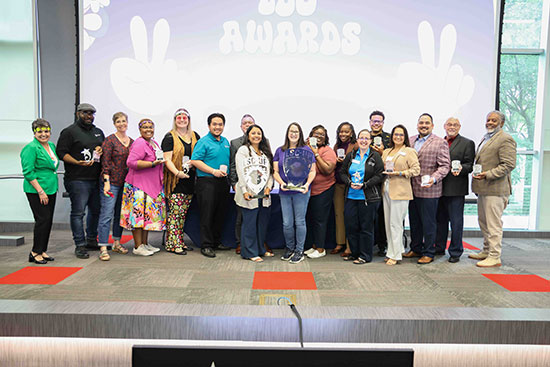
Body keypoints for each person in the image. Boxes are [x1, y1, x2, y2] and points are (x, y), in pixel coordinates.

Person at [56, 103, 105, 259]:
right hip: (77, 179)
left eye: (91, 113)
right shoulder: (69, 132)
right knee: (78, 213)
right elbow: (61, 153)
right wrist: (77, 162)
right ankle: (80, 245)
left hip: (95, 178)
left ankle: (91, 239)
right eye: (85, 113)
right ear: (78, 113)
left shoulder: (98, 132)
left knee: (96, 211)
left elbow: (102, 151)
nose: (89, 116)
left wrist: (100, 150)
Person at [470, 110, 516, 267]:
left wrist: (488, 174)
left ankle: (495, 256)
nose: (490, 122)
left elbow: (508, 165)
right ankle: (486, 250)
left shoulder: (505, 139)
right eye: (488, 119)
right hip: (484, 189)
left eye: (494, 120)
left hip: (496, 189)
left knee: (493, 224)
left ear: (501, 123)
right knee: (484, 222)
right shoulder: (487, 137)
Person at [403, 113, 450, 264]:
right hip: (411, 188)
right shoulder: (409, 140)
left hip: (429, 190)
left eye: (427, 123)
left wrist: (434, 178)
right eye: (421, 123)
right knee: (414, 221)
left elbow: (445, 165)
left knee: (429, 223)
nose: (423, 125)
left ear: (432, 125)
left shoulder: (439, 142)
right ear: (417, 125)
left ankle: (429, 252)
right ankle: (416, 248)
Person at [121, 119, 166, 256]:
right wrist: (152, 164)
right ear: (140, 130)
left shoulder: (153, 142)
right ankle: (137, 246)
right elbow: (131, 162)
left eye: (150, 127)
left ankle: (145, 244)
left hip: (150, 186)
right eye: (145, 127)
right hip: (138, 187)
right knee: (138, 217)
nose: (148, 130)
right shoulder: (139, 143)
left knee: (146, 217)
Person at [230, 114, 273, 256]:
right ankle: (250, 253)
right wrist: (243, 190)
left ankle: (260, 249)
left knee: (261, 225)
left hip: (264, 194)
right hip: (248, 194)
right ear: (248, 136)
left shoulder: (265, 152)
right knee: (249, 224)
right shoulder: (243, 151)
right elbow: (241, 173)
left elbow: (270, 172)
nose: (256, 136)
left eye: (258, 133)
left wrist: (269, 186)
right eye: (253, 133)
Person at [273, 122, 316, 264]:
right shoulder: (280, 151)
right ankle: (290, 248)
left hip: (301, 192)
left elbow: (312, 171)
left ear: (300, 134)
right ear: (287, 133)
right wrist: (282, 183)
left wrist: (307, 184)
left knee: (300, 221)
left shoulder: (307, 150)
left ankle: (299, 250)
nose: (293, 134)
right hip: (285, 191)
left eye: (296, 132)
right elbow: (275, 172)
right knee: (287, 223)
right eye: (291, 131)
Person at [339, 129, 384, 264]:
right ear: (357, 140)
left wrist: (365, 185)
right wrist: (349, 182)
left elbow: (380, 175)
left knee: (366, 227)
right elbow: (342, 173)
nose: (364, 140)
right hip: (351, 196)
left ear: (370, 141)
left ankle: (365, 255)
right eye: (361, 138)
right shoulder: (351, 155)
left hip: (368, 198)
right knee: (351, 226)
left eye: (366, 138)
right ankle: (355, 252)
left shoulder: (375, 156)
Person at [434, 117, 475, 263]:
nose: (452, 127)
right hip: (438, 187)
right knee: (440, 221)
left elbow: (470, 165)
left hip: (456, 189)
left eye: (455, 125)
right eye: (449, 124)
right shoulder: (439, 142)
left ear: (459, 127)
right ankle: (439, 247)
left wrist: (461, 169)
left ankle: (455, 252)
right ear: (444, 126)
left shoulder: (467, 143)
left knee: (456, 223)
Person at [191, 113, 231, 258]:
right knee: (207, 214)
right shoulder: (203, 141)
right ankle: (206, 245)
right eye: (214, 124)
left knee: (220, 214)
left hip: (222, 182)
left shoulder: (226, 141)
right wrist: (213, 171)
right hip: (206, 182)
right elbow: (195, 161)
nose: (217, 127)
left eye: (220, 124)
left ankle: (216, 241)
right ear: (209, 126)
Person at [20, 119, 59, 264]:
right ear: (34, 133)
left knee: (48, 220)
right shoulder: (30, 148)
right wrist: (40, 191)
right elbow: (28, 172)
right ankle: (35, 252)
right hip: (37, 190)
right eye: (40, 131)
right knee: (42, 220)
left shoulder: (51, 146)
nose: (44, 134)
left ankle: (42, 250)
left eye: (46, 131)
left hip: (51, 187)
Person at [161, 108, 200, 255]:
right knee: (175, 214)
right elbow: (167, 159)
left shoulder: (195, 136)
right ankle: (172, 244)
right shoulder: (169, 137)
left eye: (185, 117)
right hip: (176, 180)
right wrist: (177, 173)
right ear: (175, 120)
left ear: (188, 120)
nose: (182, 120)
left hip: (190, 180)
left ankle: (179, 241)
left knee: (182, 214)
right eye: (179, 118)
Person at [381, 125, 420, 266]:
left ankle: (396, 255)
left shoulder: (409, 151)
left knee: (396, 224)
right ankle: (391, 251)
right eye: (396, 134)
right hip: (386, 190)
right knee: (388, 223)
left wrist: (400, 173)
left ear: (405, 137)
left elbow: (416, 170)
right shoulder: (386, 151)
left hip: (401, 191)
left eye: (401, 135)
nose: (398, 137)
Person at [97, 112, 134, 261]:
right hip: (110, 183)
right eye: (118, 121)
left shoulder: (131, 141)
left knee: (120, 215)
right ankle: (103, 247)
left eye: (123, 121)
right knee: (106, 214)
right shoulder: (109, 141)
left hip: (125, 183)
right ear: (114, 124)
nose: (121, 124)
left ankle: (117, 242)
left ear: (127, 122)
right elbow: (105, 163)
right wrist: (106, 182)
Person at [304, 125, 337, 259]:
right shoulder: (305, 150)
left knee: (320, 220)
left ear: (325, 138)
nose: (318, 136)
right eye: (315, 134)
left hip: (323, 190)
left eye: (321, 134)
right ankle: (314, 246)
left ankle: (321, 248)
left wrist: (316, 153)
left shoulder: (327, 151)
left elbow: (327, 170)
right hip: (308, 190)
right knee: (311, 219)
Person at [332, 122, 357, 256]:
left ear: (351, 133)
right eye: (341, 131)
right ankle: (339, 242)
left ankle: (349, 245)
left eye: (346, 131)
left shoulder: (356, 145)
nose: (343, 134)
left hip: (351, 184)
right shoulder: (336, 146)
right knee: (338, 214)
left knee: (350, 215)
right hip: (338, 183)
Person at [369, 110, 391, 257]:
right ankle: (370, 243)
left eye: (379, 121)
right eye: (374, 121)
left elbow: (392, 159)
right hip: (367, 181)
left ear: (383, 123)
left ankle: (383, 244)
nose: (376, 123)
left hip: (384, 181)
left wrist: (383, 152)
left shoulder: (389, 138)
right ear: (370, 122)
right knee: (370, 216)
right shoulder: (364, 137)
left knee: (384, 214)